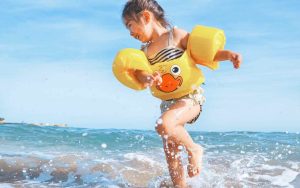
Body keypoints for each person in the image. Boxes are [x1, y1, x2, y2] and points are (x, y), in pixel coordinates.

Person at [121, 0, 242, 187]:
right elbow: (141, 72)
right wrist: (148, 78)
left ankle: (194, 149)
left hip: (190, 98)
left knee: (163, 124)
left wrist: (228, 55)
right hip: (168, 103)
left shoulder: (175, 36)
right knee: (170, 150)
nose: (130, 33)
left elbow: (206, 53)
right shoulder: (143, 52)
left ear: (146, 17)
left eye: (130, 25)